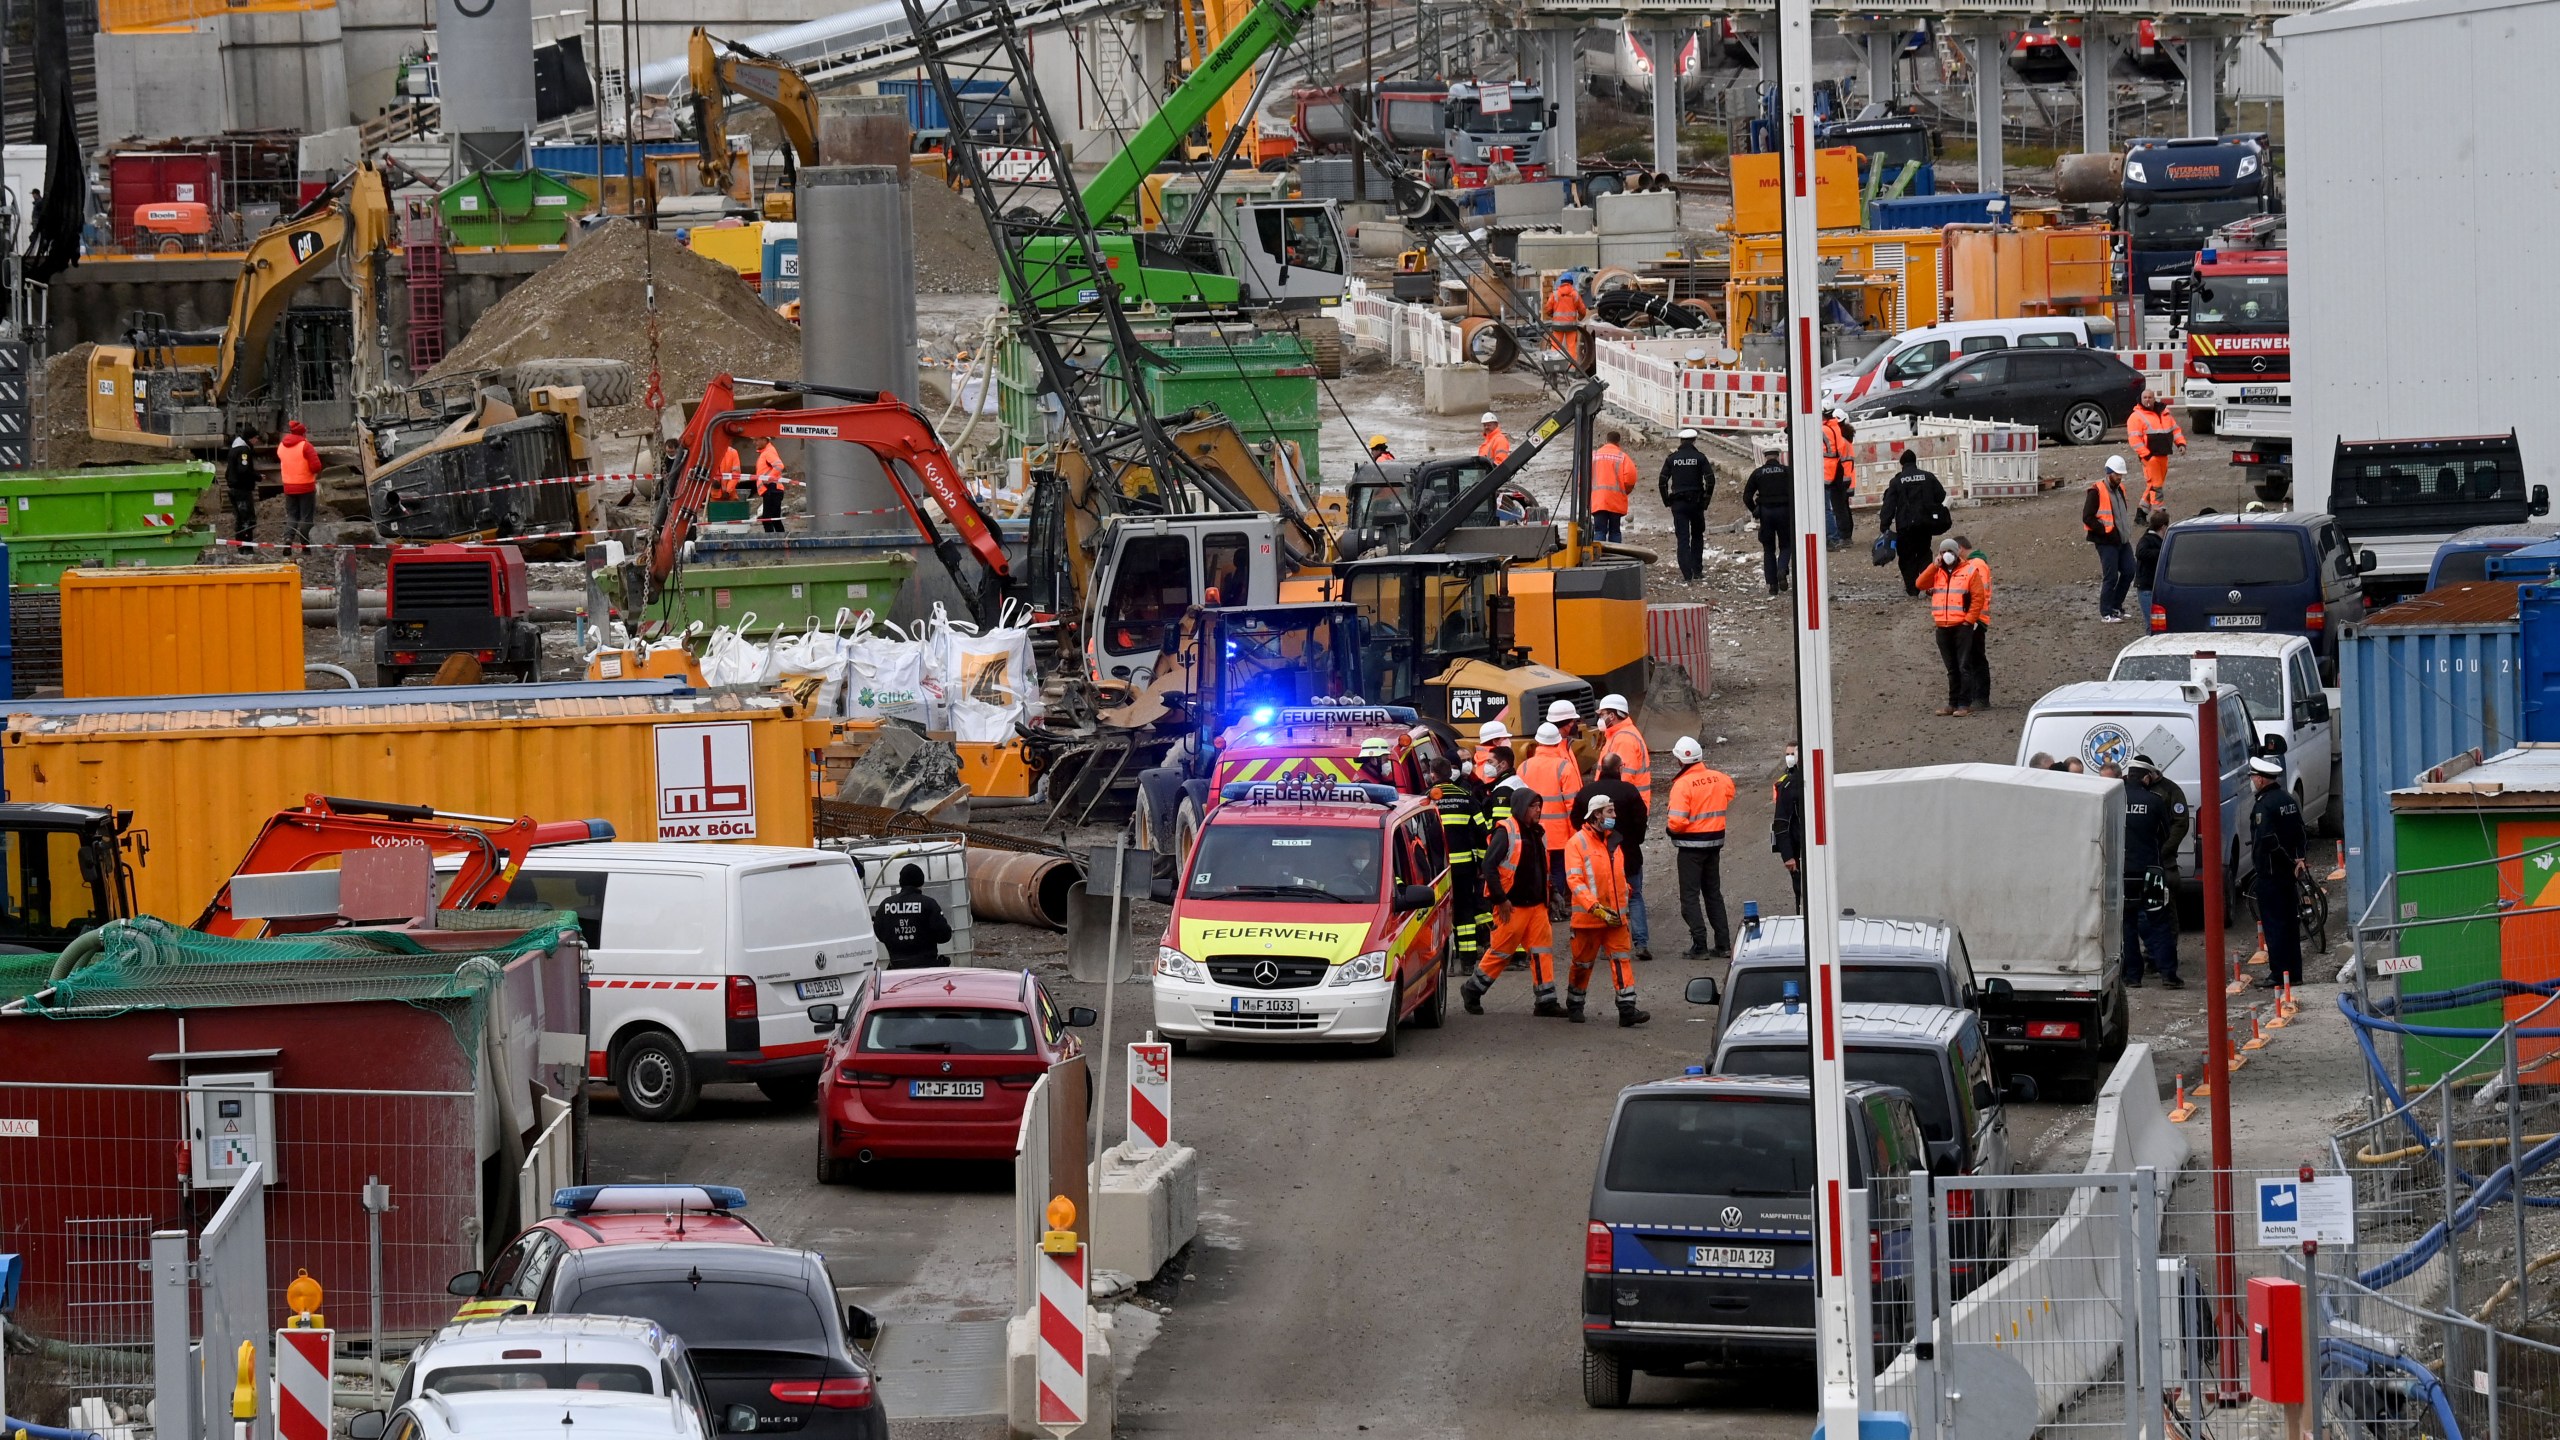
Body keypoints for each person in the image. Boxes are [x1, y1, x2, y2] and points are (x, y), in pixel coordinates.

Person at [1460, 783, 1560, 1016]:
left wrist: (1552, 893)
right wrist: (1500, 899)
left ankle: (1546, 1001)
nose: (1538, 810)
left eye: (1539, 806)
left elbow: (1543, 868)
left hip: (1535, 906)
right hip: (1511, 906)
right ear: (1521, 807)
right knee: (1500, 952)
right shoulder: (1506, 831)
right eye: (1533, 806)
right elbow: (1489, 866)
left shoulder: (1538, 833)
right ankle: (1472, 990)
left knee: (1542, 951)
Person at [1563, 794, 1648, 1026]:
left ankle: (1627, 1009)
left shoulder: (1613, 842)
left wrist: (1626, 892)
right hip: (1588, 919)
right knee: (1582, 964)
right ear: (1597, 814)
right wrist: (1595, 907)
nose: (1614, 815)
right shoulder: (1577, 843)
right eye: (1610, 811)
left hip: (1616, 918)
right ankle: (1575, 1004)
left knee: (1622, 960)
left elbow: (1615, 875)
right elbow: (1575, 880)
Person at [2120, 753, 2189, 988]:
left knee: (2127, 924)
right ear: (2147, 778)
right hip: (2151, 872)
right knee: (2159, 922)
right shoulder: (2155, 802)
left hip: (2123, 873)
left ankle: (2132, 976)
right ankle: (2168, 974)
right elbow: (2165, 833)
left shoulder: (2114, 800)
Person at [1663, 736, 1735, 959]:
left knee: (1690, 897)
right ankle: (1723, 944)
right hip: (1714, 845)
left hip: (1690, 849)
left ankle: (1700, 945)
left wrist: (1675, 830)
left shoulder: (1682, 785)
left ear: (1680, 761)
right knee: (1713, 894)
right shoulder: (1719, 778)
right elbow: (1729, 794)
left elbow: (1676, 822)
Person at [1578, 752, 1652, 962]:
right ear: (1619, 769)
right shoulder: (1629, 791)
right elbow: (1640, 818)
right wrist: (1635, 840)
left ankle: (1605, 945)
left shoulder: (1586, 792)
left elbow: (1576, 820)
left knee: (1604, 898)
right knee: (1635, 896)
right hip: (1629, 853)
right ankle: (1641, 943)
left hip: (1596, 856)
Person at [2249, 755, 2307, 989]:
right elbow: (2301, 831)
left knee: (2274, 926)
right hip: (2288, 875)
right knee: (2291, 923)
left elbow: (2267, 839)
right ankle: (2294, 973)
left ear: (2262, 779)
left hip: (2272, 874)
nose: (2252, 780)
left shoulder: (2264, 804)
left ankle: (2278, 974)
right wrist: (2299, 859)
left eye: (2254, 776)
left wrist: (2289, 860)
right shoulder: (2288, 799)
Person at [1918, 536, 1992, 715]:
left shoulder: (1971, 568)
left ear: (1958, 551)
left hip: (1967, 624)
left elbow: (1978, 596)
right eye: (1943, 552)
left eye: (1950, 551)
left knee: (1968, 663)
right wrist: (1934, 565)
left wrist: (1970, 620)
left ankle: (1970, 701)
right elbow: (1920, 584)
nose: (1946, 555)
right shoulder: (1939, 572)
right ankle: (1957, 702)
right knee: (1955, 666)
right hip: (1946, 625)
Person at [1434, 756, 1490, 977]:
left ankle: (1445, 962)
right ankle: (1467, 963)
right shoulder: (1466, 798)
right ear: (1451, 773)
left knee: (1440, 914)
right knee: (1465, 911)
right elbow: (1482, 830)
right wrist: (1482, 863)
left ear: (1433, 774)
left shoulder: (1428, 799)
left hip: (1437, 870)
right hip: (1464, 866)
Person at [1520, 722, 1583, 909]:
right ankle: (1558, 906)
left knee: (1538, 869)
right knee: (1557, 869)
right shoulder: (1564, 767)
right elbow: (1573, 804)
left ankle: (1542, 905)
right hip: (1559, 833)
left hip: (1532, 831)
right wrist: (1576, 833)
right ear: (1557, 743)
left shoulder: (1523, 767)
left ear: (1537, 743)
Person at [1876, 448, 1947, 597]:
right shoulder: (1928, 477)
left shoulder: (1897, 481)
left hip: (1905, 527)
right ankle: (1928, 584)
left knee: (1907, 557)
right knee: (1924, 553)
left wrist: (1885, 525)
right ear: (1915, 462)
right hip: (1924, 525)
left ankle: (1912, 588)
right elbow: (1941, 495)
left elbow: (1889, 504)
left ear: (1902, 464)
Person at [2084, 455, 2137, 622]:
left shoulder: (2120, 489)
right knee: (2111, 576)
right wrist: (2105, 531)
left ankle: (2116, 606)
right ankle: (2106, 612)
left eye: (2121, 474)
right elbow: (2087, 517)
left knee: (2129, 571)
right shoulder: (2096, 491)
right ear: (2109, 473)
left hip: (2122, 540)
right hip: (2106, 542)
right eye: (2117, 474)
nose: (2120, 477)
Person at [1658, 428, 1714, 582]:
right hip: (1696, 503)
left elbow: (1662, 482)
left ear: (1680, 441)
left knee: (1682, 538)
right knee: (1697, 536)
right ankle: (1697, 570)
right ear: (1694, 440)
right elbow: (1710, 480)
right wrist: (1706, 500)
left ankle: (1686, 574)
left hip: (1678, 504)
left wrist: (1666, 501)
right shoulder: (1700, 458)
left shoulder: (1672, 459)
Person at [872, 864, 953, 969]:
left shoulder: (885, 905)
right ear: (921, 882)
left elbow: (879, 932)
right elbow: (944, 935)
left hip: (897, 966)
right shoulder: (928, 904)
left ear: (901, 882)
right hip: (927, 966)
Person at [1742, 439, 1794, 596]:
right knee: (1786, 545)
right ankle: (1782, 569)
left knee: (1768, 549)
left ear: (1765, 457)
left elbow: (1746, 496)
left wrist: (1755, 510)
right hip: (1785, 511)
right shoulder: (1787, 471)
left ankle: (1772, 585)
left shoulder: (1758, 473)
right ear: (1778, 456)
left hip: (1766, 513)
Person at [2126, 394, 2188, 514]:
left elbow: (2175, 430)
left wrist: (2181, 444)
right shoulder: (2136, 417)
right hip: (2149, 457)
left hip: (2163, 454)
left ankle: (2141, 513)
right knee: (2156, 485)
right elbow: (2134, 440)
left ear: (2154, 399)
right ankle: (2158, 512)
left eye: (2150, 397)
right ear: (2140, 399)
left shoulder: (2165, 413)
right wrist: (2147, 455)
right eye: (2145, 397)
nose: (2147, 400)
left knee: (2153, 484)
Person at [276, 420, 322, 556]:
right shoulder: (306, 446)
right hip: (306, 487)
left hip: (289, 487)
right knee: (306, 517)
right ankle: (305, 546)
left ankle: (288, 538)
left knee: (292, 515)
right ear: (303, 432)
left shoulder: (282, 446)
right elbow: (316, 467)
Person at [1772, 743, 1805, 912]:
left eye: (1793, 754)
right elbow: (1781, 822)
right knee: (1800, 891)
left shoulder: (1802, 780)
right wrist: (1788, 855)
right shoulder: (1786, 784)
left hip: (1806, 847)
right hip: (1797, 849)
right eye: (1787, 754)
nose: (1790, 757)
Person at [1589, 430, 1637, 544]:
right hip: (1616, 500)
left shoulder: (1594, 456)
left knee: (1599, 531)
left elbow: (1583, 478)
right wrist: (1625, 492)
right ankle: (1615, 555)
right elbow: (1631, 478)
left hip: (1598, 500)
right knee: (1615, 531)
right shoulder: (1623, 457)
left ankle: (1598, 558)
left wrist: (1588, 496)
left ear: (1606, 441)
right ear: (1618, 442)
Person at [1595, 694, 1649, 794]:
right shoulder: (1618, 735)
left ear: (1611, 716)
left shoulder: (1623, 739)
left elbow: (1624, 778)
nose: (1600, 719)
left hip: (1624, 804)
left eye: (1602, 715)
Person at [1821, 408, 1857, 550]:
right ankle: (1845, 536)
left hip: (1839, 478)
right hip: (1843, 478)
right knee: (1842, 508)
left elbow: (1844, 462)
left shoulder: (1840, 440)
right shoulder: (1843, 439)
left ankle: (1844, 537)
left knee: (1839, 508)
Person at [224, 424, 260, 543]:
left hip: (234, 488)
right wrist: (257, 476)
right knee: (247, 520)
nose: (257, 440)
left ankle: (240, 545)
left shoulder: (234, 449)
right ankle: (246, 547)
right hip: (242, 489)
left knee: (240, 518)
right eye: (256, 438)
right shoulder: (244, 450)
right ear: (250, 438)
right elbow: (243, 470)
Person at [1546, 275, 1590, 370]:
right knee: (1571, 348)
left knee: (1555, 347)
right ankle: (1571, 368)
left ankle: (1554, 367)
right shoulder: (1575, 294)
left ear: (1562, 283)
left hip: (1557, 326)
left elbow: (1548, 308)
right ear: (1571, 283)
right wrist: (1580, 317)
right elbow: (1582, 309)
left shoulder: (1555, 294)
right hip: (1571, 326)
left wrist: (1551, 315)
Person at [2135, 507, 2170, 623]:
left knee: (2159, 624)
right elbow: (2140, 553)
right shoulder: (2147, 540)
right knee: (2153, 625)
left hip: (2156, 589)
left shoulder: (2158, 540)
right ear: (2163, 527)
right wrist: (2162, 553)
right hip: (2147, 590)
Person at [753, 439, 789, 534]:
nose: (754, 442)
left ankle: (772, 542)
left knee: (767, 519)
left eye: (756, 440)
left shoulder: (768, 452)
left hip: (772, 489)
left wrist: (768, 479)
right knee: (775, 519)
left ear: (765, 440)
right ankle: (781, 541)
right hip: (772, 489)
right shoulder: (766, 452)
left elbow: (779, 466)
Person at [1471, 719, 1513, 783]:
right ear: (1495, 741)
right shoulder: (1496, 761)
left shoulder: (1478, 758)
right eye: (1504, 738)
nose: (1507, 740)